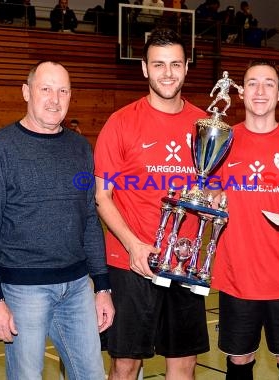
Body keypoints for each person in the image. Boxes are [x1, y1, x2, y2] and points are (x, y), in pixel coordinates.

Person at [0, 61, 115, 379]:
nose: (54, 98)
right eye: (45, 89)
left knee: (91, 374)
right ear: (26, 92)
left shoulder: (79, 147)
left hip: (77, 288)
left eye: (62, 90)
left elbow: (89, 218)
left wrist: (102, 287)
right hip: (24, 290)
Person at [94, 28, 209, 380]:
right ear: (144, 69)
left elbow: (214, 194)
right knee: (125, 364)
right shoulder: (121, 122)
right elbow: (102, 196)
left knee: (184, 365)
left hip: (183, 263)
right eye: (158, 64)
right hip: (131, 264)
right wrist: (133, 246)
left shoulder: (206, 125)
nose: (168, 73)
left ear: (187, 67)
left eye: (176, 64)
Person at [212, 59, 279, 380]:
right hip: (235, 277)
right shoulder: (222, 140)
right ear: (241, 93)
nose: (260, 90)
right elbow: (210, 195)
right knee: (240, 360)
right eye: (252, 82)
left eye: (268, 83)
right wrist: (213, 198)